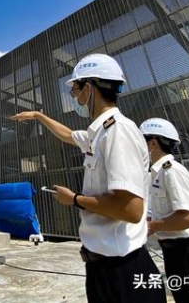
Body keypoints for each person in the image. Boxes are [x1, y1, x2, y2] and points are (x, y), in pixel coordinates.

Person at [10, 54, 165, 303]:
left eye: (75, 90)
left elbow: (131, 209)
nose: (75, 97)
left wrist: (74, 199)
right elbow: (69, 135)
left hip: (122, 271)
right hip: (105, 267)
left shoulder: (117, 132)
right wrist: (38, 117)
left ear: (89, 88)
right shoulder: (100, 133)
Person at [140, 117, 189, 303]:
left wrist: (152, 227)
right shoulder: (156, 174)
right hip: (174, 255)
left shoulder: (172, 171)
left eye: (140, 141)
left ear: (152, 143)